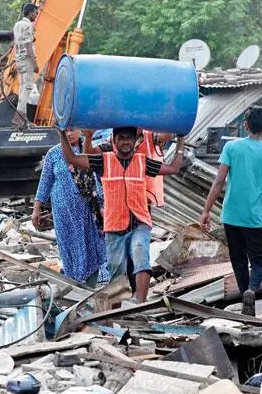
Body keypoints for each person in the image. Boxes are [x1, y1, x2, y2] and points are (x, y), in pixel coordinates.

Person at [59, 126, 185, 304]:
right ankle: (118, 309)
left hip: (139, 222)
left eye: (129, 138)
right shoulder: (104, 161)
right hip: (114, 226)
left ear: (135, 141)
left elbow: (173, 168)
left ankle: (140, 302)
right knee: (117, 271)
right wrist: (61, 134)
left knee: (140, 253)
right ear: (114, 140)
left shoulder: (143, 162)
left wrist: (180, 139)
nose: (126, 141)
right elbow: (72, 158)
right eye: (121, 138)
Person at [200, 107, 262, 316]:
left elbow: (218, 182)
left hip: (230, 216)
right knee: (259, 261)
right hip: (252, 218)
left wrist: (206, 211)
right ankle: (251, 290)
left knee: (238, 260)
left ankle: (246, 300)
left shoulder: (231, 148)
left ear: (245, 126)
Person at [32, 129, 108, 286]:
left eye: (73, 129)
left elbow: (103, 178)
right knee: (69, 249)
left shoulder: (90, 150)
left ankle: (90, 285)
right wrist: (36, 209)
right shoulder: (53, 154)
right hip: (64, 214)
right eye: (66, 130)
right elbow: (45, 182)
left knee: (92, 247)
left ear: (80, 130)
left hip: (89, 213)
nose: (70, 134)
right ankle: (74, 285)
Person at [13, 3, 40, 118]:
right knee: (27, 89)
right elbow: (28, 45)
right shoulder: (28, 26)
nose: (36, 14)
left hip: (19, 60)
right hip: (27, 60)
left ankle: (19, 116)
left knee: (22, 89)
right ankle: (20, 117)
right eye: (35, 12)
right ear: (30, 13)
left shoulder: (17, 25)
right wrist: (35, 63)